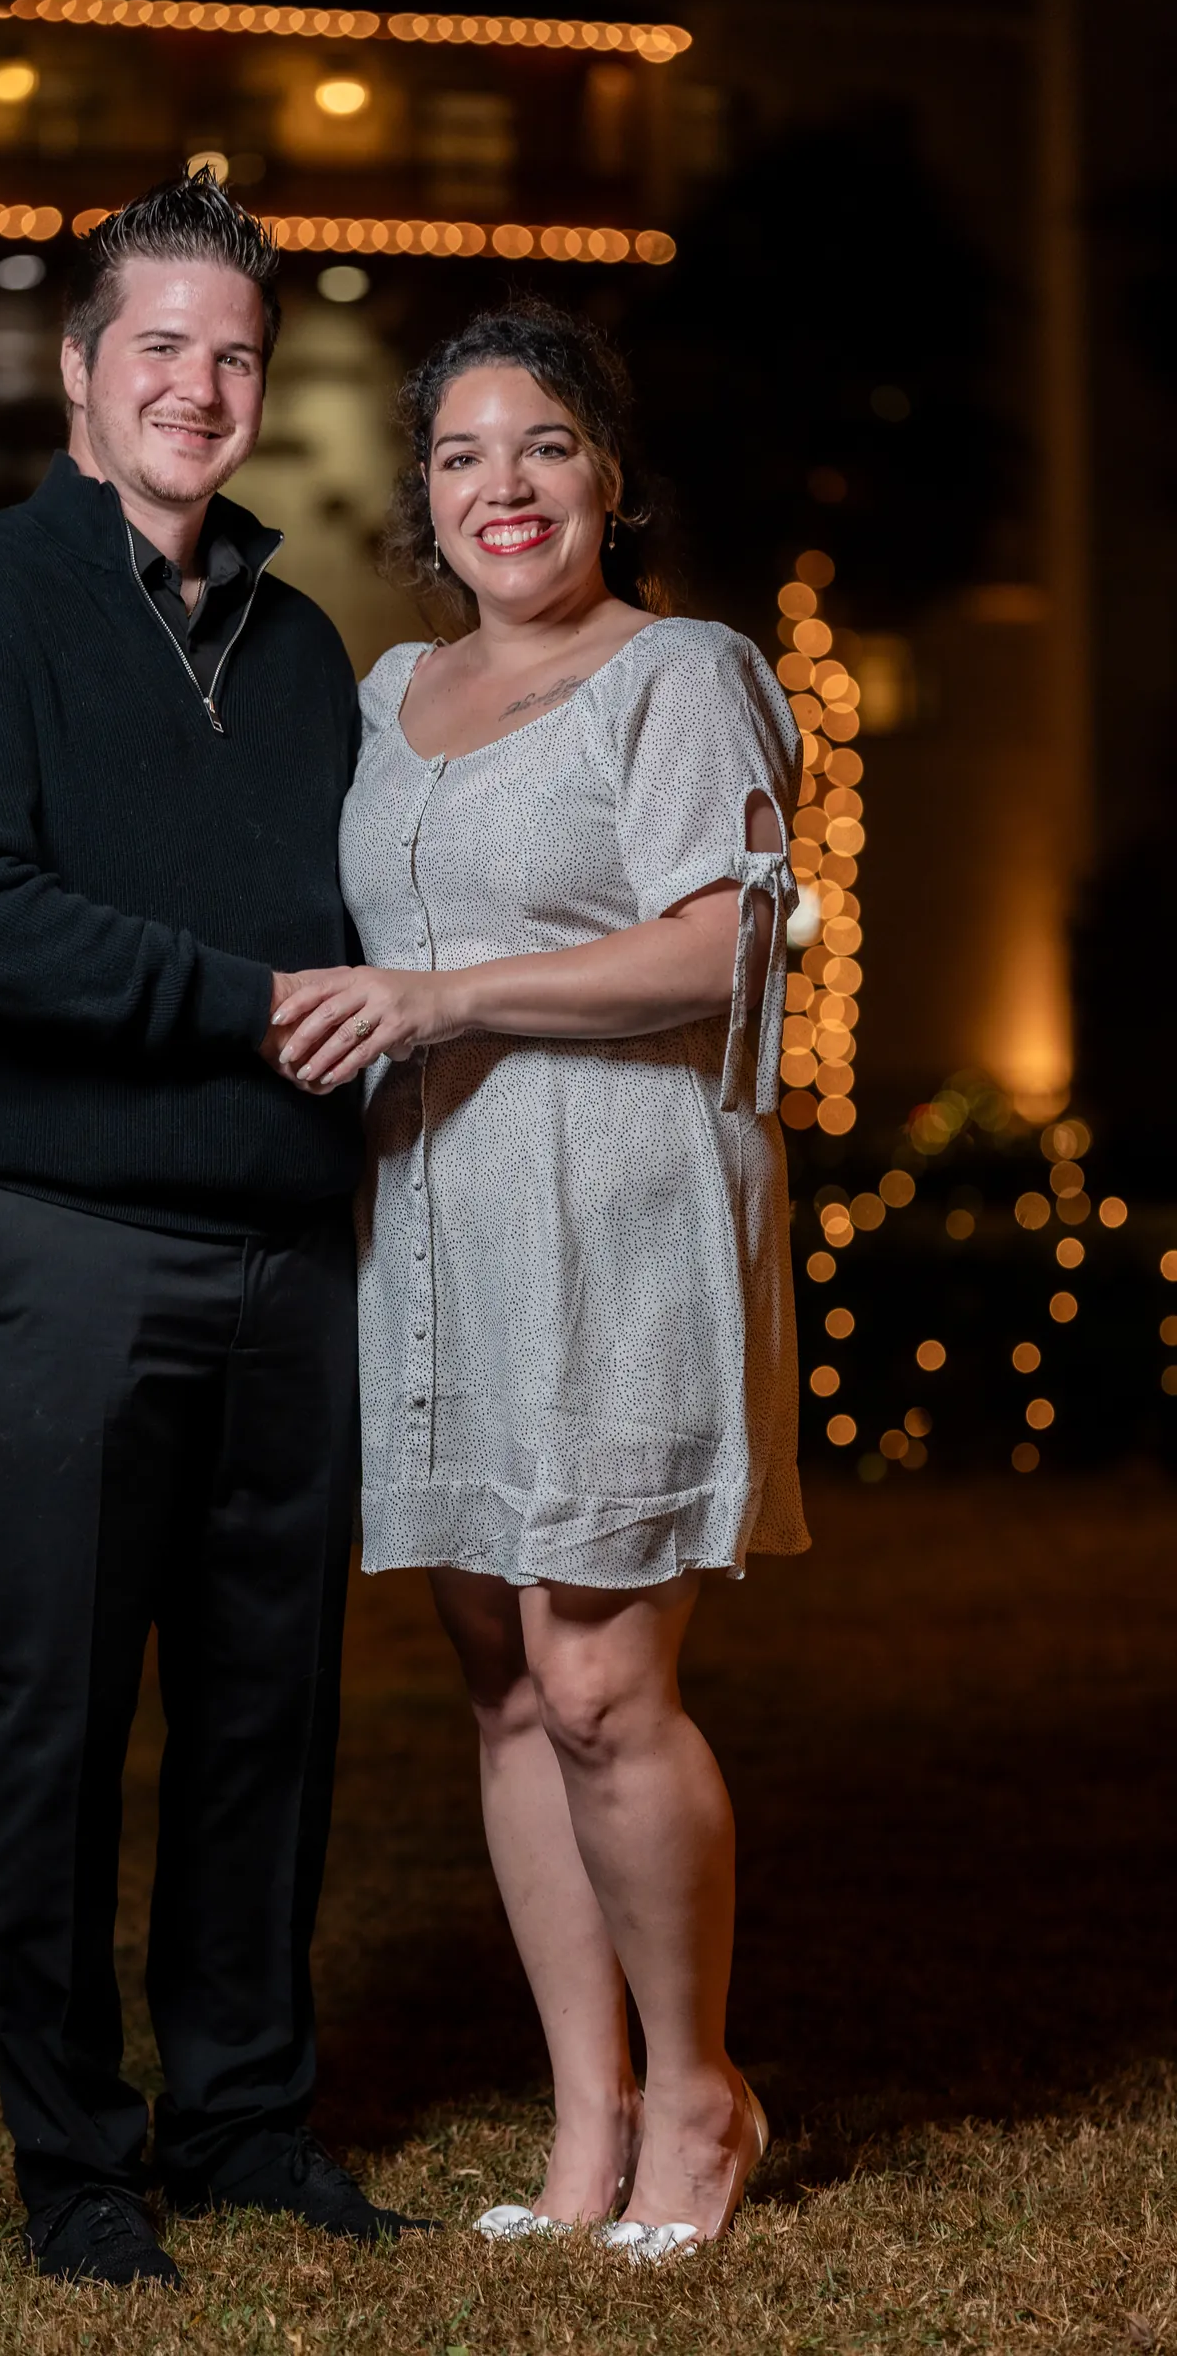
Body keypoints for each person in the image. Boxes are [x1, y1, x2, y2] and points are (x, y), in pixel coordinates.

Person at [0, 170, 426, 2292]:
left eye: (232, 354)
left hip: (288, 1257)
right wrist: (256, 1004)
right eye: (159, 347)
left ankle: (246, 2119)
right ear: (84, 376)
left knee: (267, 1720)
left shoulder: (303, 653)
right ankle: (74, 2162)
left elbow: (365, 929)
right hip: (64, 1250)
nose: (198, 384)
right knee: (60, 1717)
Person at [271, 302, 809, 2263]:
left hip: (615, 1209)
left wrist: (447, 996)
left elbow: (715, 960)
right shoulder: (388, 691)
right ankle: (579, 2124)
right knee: (499, 1685)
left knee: (597, 1682)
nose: (501, 487)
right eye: (459, 456)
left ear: (608, 476)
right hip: (425, 1227)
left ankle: (696, 2097)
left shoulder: (682, 672)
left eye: (543, 448)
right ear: (422, 495)